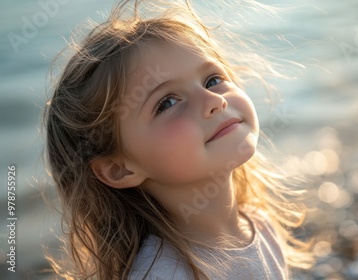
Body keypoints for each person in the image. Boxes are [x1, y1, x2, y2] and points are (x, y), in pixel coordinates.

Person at [44, 0, 313, 279]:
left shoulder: (259, 223)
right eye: (168, 102)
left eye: (211, 80)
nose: (214, 100)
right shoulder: (163, 273)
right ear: (119, 168)